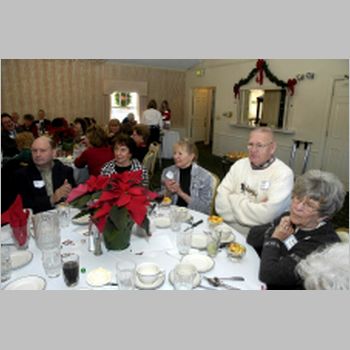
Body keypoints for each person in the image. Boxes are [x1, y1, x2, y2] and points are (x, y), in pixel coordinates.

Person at [247, 169, 345, 290]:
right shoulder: (292, 218)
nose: (297, 207)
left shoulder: (322, 246)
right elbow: (252, 237)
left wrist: (276, 239)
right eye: (298, 198)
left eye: (309, 205)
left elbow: (269, 275)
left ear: (323, 216)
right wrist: (275, 231)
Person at [215, 127, 294, 236]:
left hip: (259, 239)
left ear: (272, 148)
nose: (253, 150)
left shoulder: (283, 174)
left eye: (259, 145)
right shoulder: (239, 165)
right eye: (250, 144)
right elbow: (219, 204)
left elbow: (266, 215)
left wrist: (233, 199)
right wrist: (254, 206)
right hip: (227, 231)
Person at [15, 135, 76, 214]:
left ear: (53, 152)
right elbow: (25, 204)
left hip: (63, 215)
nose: (38, 154)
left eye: (42, 150)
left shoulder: (65, 171)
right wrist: (52, 198)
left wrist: (70, 194)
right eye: (34, 151)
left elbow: (76, 197)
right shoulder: (23, 175)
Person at [160, 138, 214, 215]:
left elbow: (205, 208)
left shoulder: (204, 177)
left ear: (191, 156)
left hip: (194, 216)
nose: (175, 156)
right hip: (172, 214)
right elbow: (162, 200)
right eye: (174, 153)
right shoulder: (168, 171)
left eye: (180, 154)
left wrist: (180, 193)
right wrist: (168, 191)